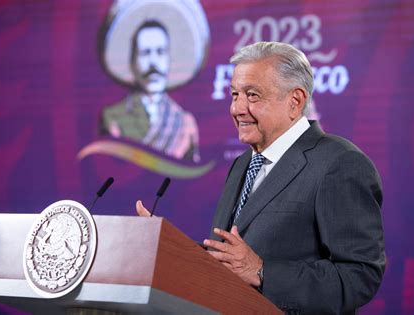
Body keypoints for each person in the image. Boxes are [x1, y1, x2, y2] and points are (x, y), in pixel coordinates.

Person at [136, 41, 385, 314]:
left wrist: (263, 272)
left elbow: (359, 276)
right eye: (234, 95)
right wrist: (174, 249)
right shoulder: (244, 163)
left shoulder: (339, 163)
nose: (237, 109)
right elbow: (230, 261)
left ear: (295, 101)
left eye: (252, 95)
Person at [100, 20, 200, 162]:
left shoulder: (184, 122)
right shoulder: (113, 117)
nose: (153, 62)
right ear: (132, 62)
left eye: (160, 52)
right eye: (145, 53)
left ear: (169, 60)